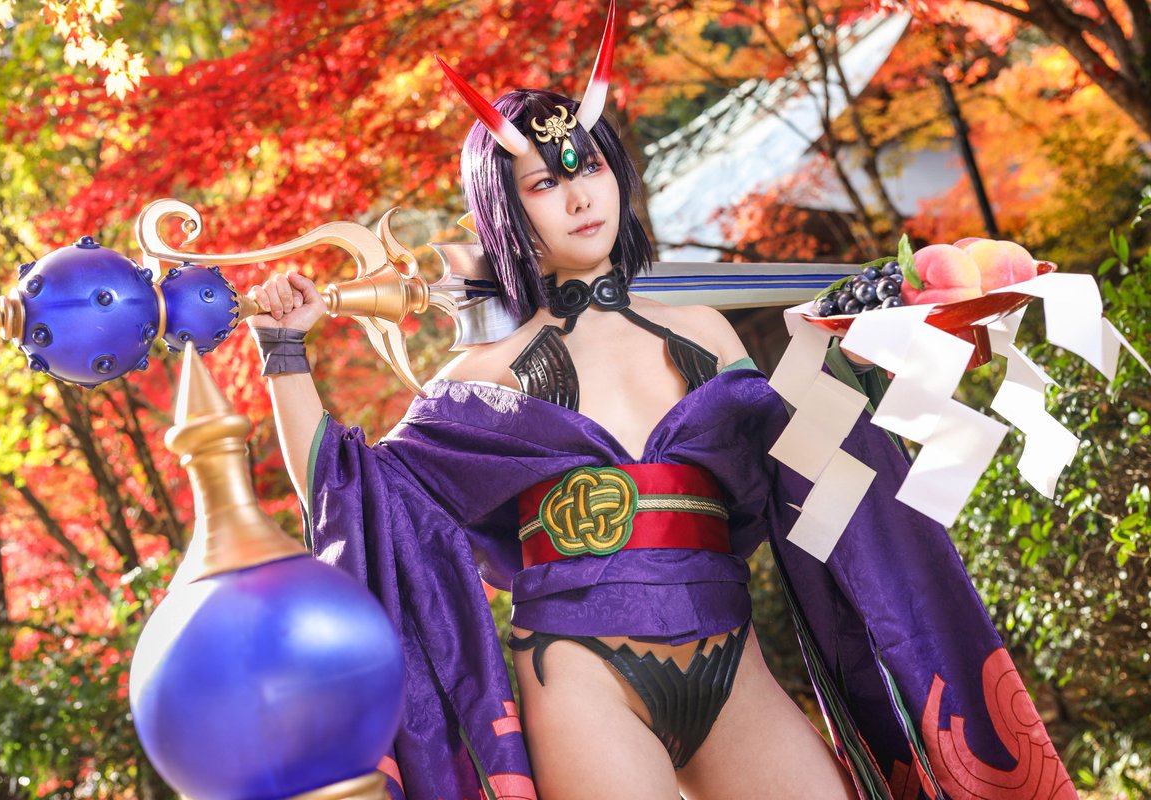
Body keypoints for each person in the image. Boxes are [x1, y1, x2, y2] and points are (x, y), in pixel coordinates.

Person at [245, 13, 1077, 800]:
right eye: (545, 182)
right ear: (506, 211)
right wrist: (284, 351)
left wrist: (867, 358)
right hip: (582, 681)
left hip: (732, 663)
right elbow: (355, 492)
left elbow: (801, 474)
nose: (580, 197)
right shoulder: (485, 374)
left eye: (589, 168)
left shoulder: (704, 331)